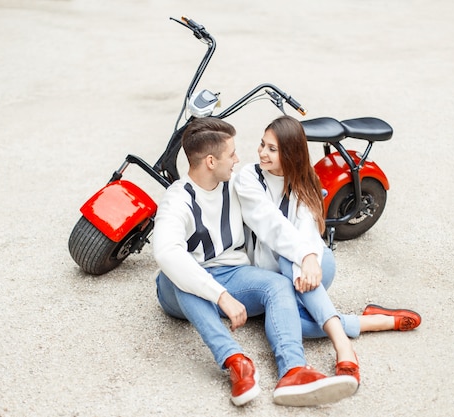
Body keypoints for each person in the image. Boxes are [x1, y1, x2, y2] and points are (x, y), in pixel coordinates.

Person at [153, 117, 359, 407]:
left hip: (236, 273)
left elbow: (274, 219)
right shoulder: (177, 200)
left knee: (277, 285)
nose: (239, 158)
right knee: (180, 275)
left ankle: (293, 371)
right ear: (211, 161)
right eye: (231, 154)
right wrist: (220, 296)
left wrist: (307, 249)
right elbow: (166, 253)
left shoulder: (238, 182)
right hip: (183, 289)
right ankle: (236, 362)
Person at [234, 115, 422, 385]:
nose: (262, 153)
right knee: (286, 322)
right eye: (262, 144)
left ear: (291, 153)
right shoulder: (249, 178)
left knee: (292, 272)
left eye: (272, 149)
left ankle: (343, 344)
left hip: (312, 269)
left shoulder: (305, 180)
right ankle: (362, 327)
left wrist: (309, 258)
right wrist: (305, 257)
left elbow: (308, 229)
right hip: (273, 272)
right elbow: (270, 224)